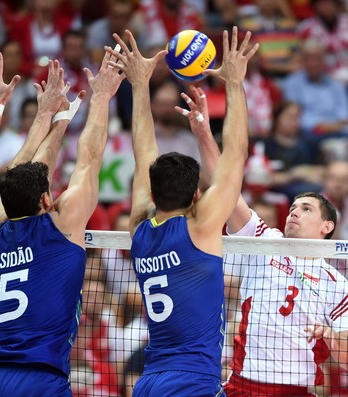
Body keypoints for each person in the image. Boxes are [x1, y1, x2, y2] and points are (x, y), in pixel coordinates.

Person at [105, 26, 258, 396]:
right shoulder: (202, 227)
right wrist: (234, 82)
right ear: (196, 196)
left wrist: (139, 87)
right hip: (192, 382)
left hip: (150, 380)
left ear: (152, 193)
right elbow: (235, 156)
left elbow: (144, 153)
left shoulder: (139, 226)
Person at [184, 62, 348, 397]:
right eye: (292, 207)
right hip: (243, 385)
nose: (294, 212)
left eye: (306, 209)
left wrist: (331, 336)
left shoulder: (337, 284)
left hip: (297, 390)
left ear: (327, 227)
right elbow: (226, 188)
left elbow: (345, 359)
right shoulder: (265, 241)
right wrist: (202, 134)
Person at [0, 49, 125, 396]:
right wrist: (99, 98)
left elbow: (18, 175)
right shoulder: (60, 227)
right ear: (45, 199)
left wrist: (47, 117)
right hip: (41, 378)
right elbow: (89, 159)